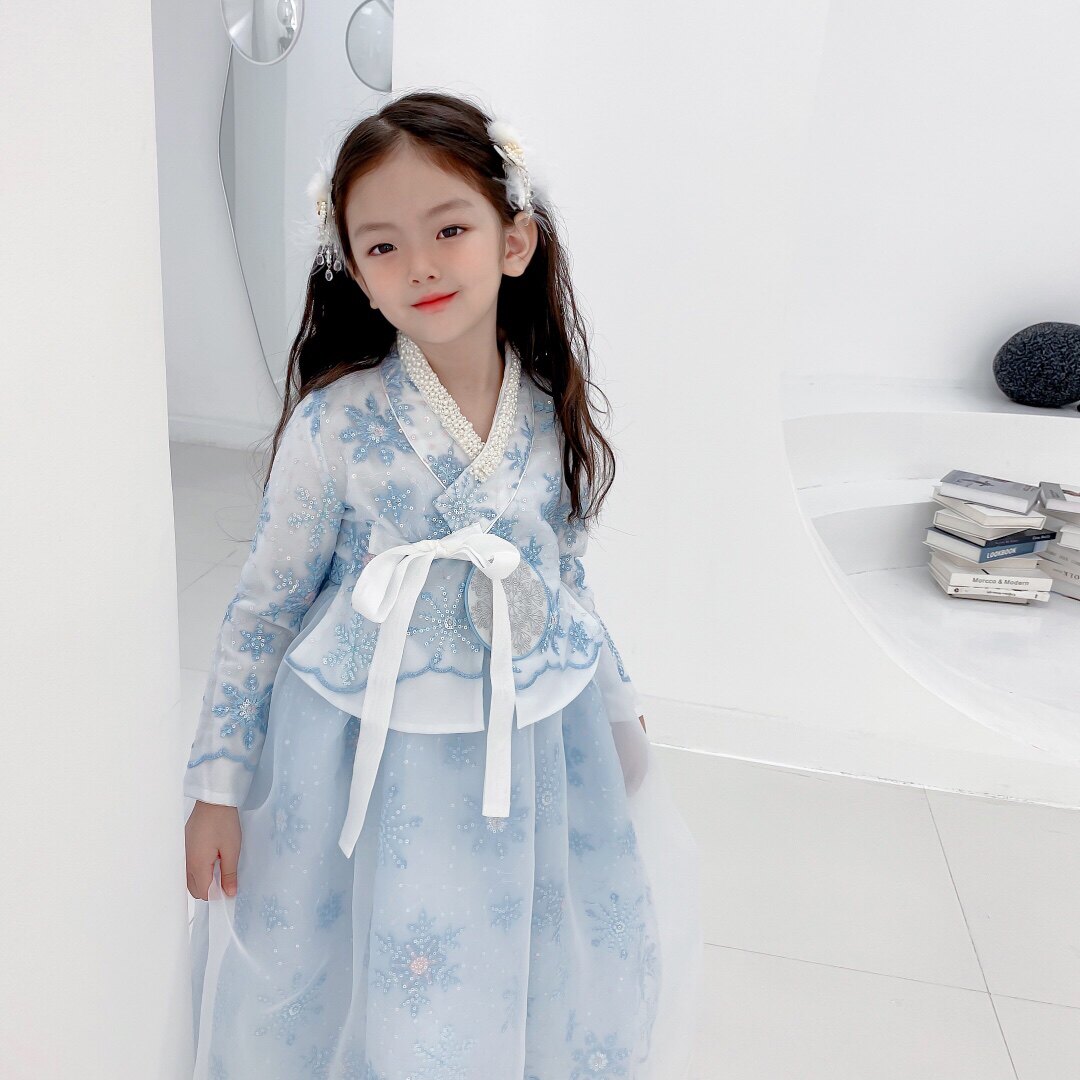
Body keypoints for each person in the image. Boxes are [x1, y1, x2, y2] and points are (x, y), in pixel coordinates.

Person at [184, 88, 703, 1079]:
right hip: (363, 745)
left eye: (449, 229)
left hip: (528, 731)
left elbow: (564, 577)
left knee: (519, 937)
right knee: (379, 943)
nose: (419, 263)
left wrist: (616, 705)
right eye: (382, 245)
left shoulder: (545, 408)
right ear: (354, 272)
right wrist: (217, 786)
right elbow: (264, 608)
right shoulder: (334, 423)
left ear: (515, 240)